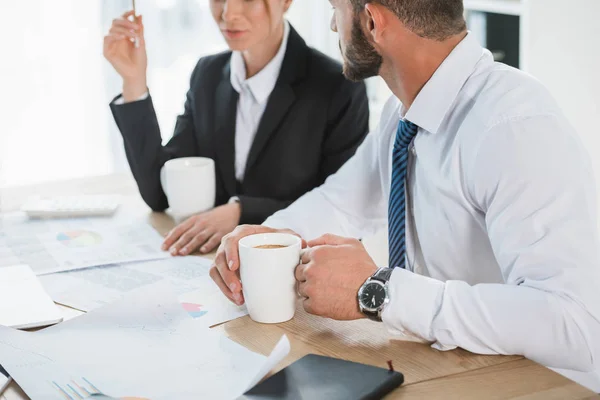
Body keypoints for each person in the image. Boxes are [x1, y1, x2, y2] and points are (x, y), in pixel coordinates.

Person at [211, 0, 600, 391]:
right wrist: (265, 236)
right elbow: (342, 201)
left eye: (336, 10)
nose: (332, 25)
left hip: (537, 387)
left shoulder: (514, 127)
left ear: (372, 21)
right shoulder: (402, 115)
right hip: (448, 371)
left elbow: (577, 326)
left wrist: (378, 293)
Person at [103, 0, 369, 255]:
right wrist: (134, 82)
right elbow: (160, 194)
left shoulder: (337, 86)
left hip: (290, 274)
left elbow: (342, 213)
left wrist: (240, 212)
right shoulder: (207, 74)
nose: (228, 14)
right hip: (211, 266)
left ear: (286, 1)